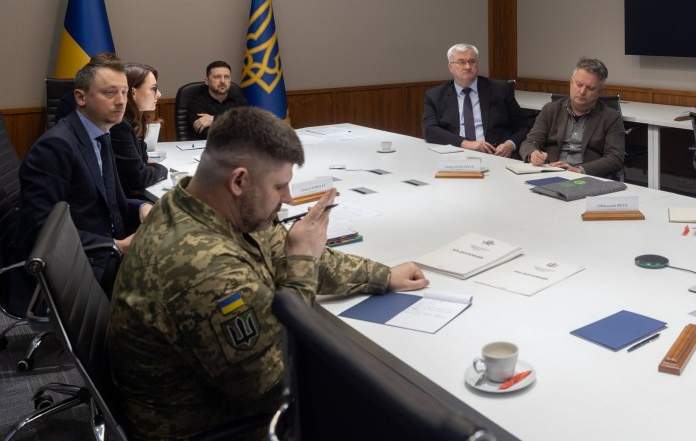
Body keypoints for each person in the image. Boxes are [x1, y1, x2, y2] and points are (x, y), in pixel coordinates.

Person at [107, 106, 429, 440]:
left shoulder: (196, 202)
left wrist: (382, 276)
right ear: (239, 181)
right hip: (214, 426)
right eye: (280, 187)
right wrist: (302, 263)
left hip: (220, 394)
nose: (288, 198)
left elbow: (284, 247)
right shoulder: (202, 265)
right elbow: (277, 383)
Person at [6, 53, 151, 312]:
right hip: (77, 268)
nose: (121, 102)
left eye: (124, 92)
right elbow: (40, 233)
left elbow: (110, 203)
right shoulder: (56, 147)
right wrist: (116, 246)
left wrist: (140, 207)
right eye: (109, 93)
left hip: (100, 252)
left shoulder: (101, 135)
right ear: (80, 97)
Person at [519, 57, 625, 179]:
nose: (582, 91)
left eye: (590, 88)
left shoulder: (610, 117)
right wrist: (532, 154)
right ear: (571, 82)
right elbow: (530, 142)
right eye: (579, 84)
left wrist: (578, 170)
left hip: (586, 178)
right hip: (550, 172)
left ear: (599, 91)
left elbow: (615, 158)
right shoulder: (551, 110)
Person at [422, 43, 530, 157]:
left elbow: (523, 127)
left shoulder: (500, 89)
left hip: (496, 155)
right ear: (451, 67)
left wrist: (510, 145)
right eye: (461, 62)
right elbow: (430, 130)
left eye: (472, 61)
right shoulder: (435, 95)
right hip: (456, 154)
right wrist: (465, 143)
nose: (468, 67)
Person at [111, 62, 168, 196]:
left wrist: (147, 167)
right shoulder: (119, 125)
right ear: (133, 92)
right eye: (154, 88)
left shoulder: (136, 119)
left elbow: (143, 160)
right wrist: (162, 169)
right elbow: (139, 178)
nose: (159, 94)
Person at [186, 60, 247, 138]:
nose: (222, 81)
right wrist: (235, 123)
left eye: (226, 77)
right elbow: (208, 133)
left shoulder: (239, 100)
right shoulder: (196, 103)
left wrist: (213, 119)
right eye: (217, 77)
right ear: (207, 81)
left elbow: (248, 127)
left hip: (236, 148)